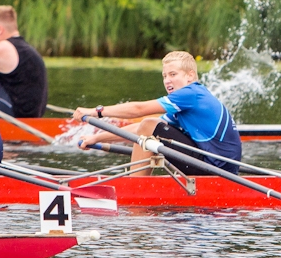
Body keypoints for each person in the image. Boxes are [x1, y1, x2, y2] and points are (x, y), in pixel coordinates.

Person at [72, 51, 242, 175]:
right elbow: (141, 129)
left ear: (190, 76)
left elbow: (139, 110)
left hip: (218, 170)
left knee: (149, 124)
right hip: (213, 164)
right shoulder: (184, 102)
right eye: (164, 76)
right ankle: (137, 184)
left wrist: (96, 112)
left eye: (173, 74)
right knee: (149, 126)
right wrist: (96, 138)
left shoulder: (190, 94)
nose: (167, 80)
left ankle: (135, 188)